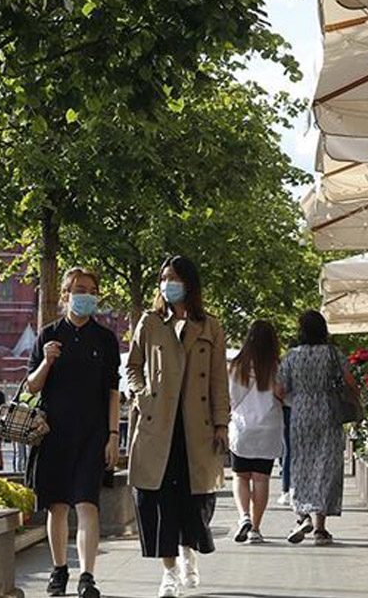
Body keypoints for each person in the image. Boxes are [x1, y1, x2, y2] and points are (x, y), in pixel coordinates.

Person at [126, 256, 229, 598]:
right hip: (159, 425)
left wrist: (221, 423)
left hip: (196, 428)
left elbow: (218, 380)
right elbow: (133, 365)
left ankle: (188, 551)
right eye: (163, 278)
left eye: (173, 278)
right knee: (159, 499)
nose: (167, 284)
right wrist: (142, 396)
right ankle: (168, 572)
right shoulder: (151, 322)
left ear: (189, 283)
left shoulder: (210, 325)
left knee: (196, 501)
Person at [27, 268, 121, 598]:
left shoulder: (105, 339)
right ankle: (58, 570)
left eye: (92, 290)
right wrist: (47, 361)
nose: (86, 295)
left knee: (87, 503)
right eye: (80, 289)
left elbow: (112, 391)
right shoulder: (49, 335)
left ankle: (87, 576)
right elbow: (32, 386)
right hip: (54, 434)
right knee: (57, 506)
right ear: (65, 294)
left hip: (93, 434)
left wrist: (113, 435)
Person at [278, 310, 353, 547]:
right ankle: (321, 529)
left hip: (301, 414)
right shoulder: (334, 354)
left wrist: (296, 399)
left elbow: (279, 391)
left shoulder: (291, 356)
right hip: (329, 412)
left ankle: (302, 516)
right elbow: (351, 383)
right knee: (326, 466)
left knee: (301, 463)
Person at [228, 320, 284, 546]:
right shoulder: (276, 367)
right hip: (268, 428)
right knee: (261, 479)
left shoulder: (236, 366)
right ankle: (256, 529)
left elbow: (230, 398)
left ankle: (244, 517)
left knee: (240, 476)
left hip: (242, 428)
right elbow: (283, 395)